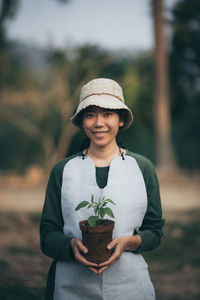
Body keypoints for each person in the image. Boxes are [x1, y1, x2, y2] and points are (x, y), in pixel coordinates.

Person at [40, 78, 164, 300]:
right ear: (81, 121)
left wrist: (131, 242)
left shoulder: (142, 168)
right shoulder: (63, 170)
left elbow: (154, 231)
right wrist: (70, 247)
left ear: (121, 120)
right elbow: (48, 234)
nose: (98, 123)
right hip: (71, 287)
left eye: (107, 113)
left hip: (129, 286)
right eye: (90, 114)